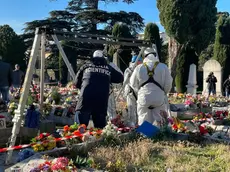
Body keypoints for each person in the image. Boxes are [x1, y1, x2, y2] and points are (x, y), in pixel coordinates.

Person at [74, 50, 124, 128]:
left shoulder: (85, 66)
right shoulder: (108, 67)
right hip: (101, 101)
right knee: (99, 130)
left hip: (85, 100)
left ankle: (78, 140)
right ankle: (147, 134)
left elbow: (76, 83)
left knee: (79, 129)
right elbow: (120, 78)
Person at [129, 48, 172, 127]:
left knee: (143, 118)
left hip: (144, 97)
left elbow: (132, 83)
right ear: (155, 55)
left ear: (144, 56)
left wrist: (140, 92)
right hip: (158, 98)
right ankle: (158, 135)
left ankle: (147, 136)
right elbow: (168, 83)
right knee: (160, 118)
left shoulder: (139, 67)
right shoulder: (163, 67)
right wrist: (163, 92)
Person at [123, 54, 143, 126]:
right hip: (130, 92)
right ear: (137, 62)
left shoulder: (141, 69)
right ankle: (132, 127)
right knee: (131, 111)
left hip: (139, 92)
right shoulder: (129, 70)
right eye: (140, 62)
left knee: (140, 111)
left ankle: (138, 126)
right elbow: (125, 82)